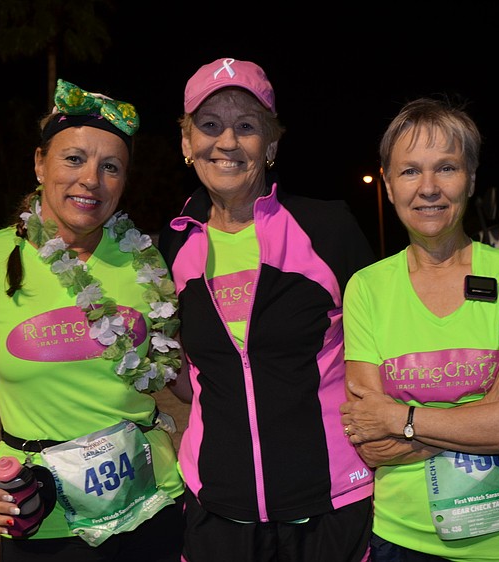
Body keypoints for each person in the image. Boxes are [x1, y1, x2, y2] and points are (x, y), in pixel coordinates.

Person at [0, 79, 186, 562]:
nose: (91, 180)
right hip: (41, 516)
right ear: (40, 163)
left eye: (111, 167)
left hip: (156, 504)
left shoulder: (148, 261)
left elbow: (187, 374)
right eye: (73, 158)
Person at [157, 57, 378, 562]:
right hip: (217, 508)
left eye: (247, 126)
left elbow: (386, 344)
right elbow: (185, 377)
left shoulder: (327, 229)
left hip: (329, 506)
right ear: (186, 143)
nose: (227, 141)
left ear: (271, 145)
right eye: (209, 126)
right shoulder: (170, 249)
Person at [339, 97, 499, 561]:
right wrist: (491, 406)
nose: (428, 188)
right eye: (410, 171)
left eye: (446, 167)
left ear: (470, 177)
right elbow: (372, 444)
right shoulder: (365, 289)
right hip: (405, 541)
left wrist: (401, 418)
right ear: (387, 185)